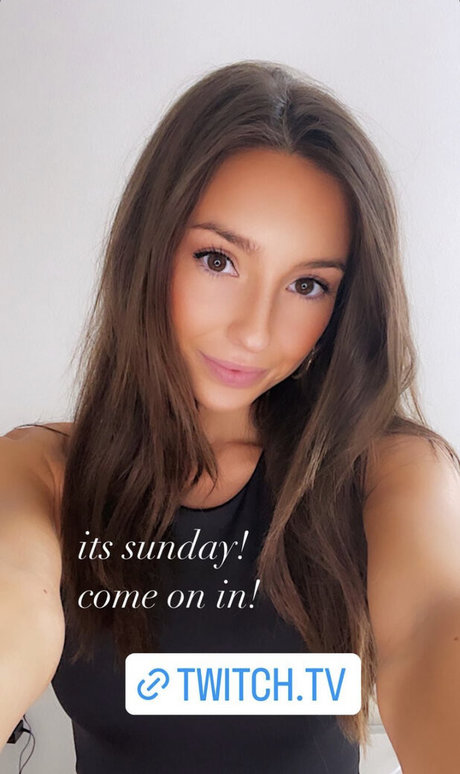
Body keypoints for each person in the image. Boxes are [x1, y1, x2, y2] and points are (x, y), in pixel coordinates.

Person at [1, 59, 459, 773]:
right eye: (218, 260)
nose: (254, 331)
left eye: (308, 284)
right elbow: (12, 605)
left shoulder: (384, 474)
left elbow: (436, 624)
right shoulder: (44, 474)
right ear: (150, 251)